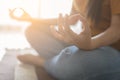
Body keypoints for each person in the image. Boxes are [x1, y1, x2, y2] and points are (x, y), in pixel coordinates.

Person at [9, 0, 120, 80]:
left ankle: (44, 62)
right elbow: (71, 20)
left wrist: (90, 44)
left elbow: (116, 30)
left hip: (110, 49)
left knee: (73, 65)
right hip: (86, 44)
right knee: (32, 29)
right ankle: (64, 60)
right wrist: (31, 19)